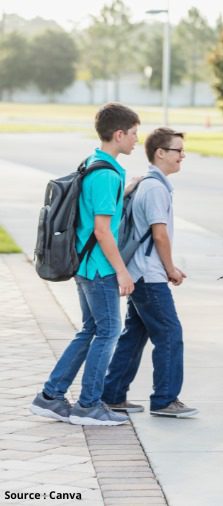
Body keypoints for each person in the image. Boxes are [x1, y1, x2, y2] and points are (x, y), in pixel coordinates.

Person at [29, 103, 139, 426]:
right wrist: (122, 270)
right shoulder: (106, 175)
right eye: (133, 134)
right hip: (100, 269)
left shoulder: (93, 163)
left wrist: (126, 189)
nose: (136, 140)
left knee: (91, 329)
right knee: (109, 331)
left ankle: (51, 396)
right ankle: (88, 405)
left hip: (83, 264)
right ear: (119, 134)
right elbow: (103, 231)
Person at [101, 127, 197, 418]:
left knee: (134, 335)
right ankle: (165, 400)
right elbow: (159, 235)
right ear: (160, 153)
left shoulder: (146, 183)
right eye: (178, 150)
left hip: (140, 272)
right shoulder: (155, 188)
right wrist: (170, 269)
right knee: (170, 334)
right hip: (150, 276)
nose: (183, 155)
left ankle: (113, 394)